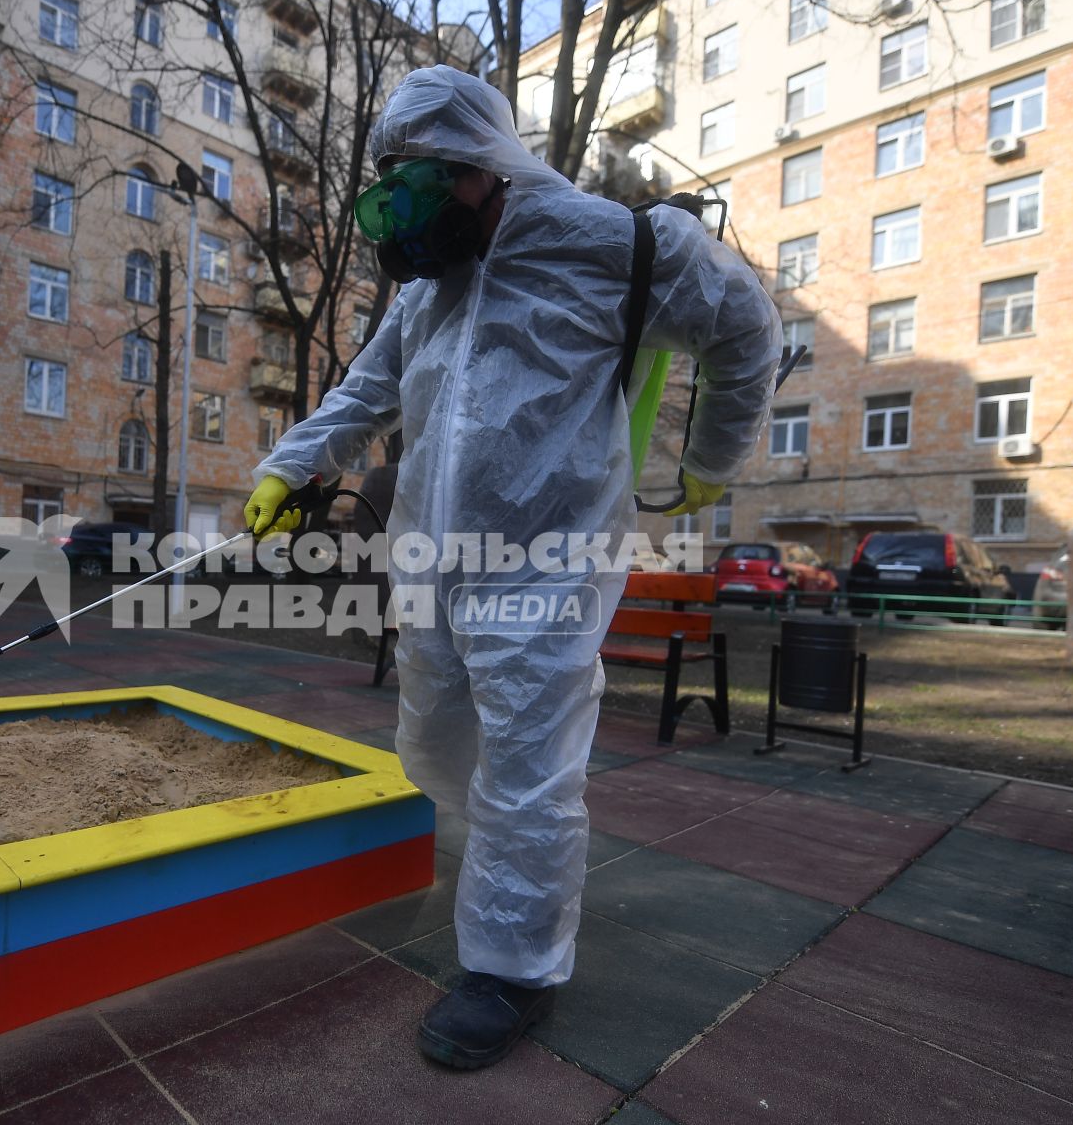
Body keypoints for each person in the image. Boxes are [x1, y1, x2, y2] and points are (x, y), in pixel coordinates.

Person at [245, 67, 780, 1069]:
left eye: (414, 181)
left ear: (479, 168)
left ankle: (512, 967)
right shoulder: (430, 290)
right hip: (435, 559)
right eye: (387, 182)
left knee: (529, 769)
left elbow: (747, 328)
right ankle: (501, 868)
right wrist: (288, 466)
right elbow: (362, 393)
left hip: (551, 557)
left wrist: (709, 461)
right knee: (436, 743)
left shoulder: (623, 247)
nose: (401, 208)